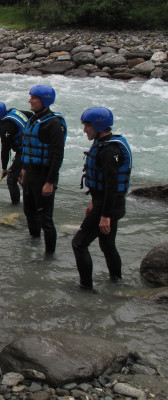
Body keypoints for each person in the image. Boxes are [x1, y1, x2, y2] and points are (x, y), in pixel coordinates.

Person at [71, 107, 132, 292]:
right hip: (108, 204)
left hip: (109, 207)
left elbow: (112, 186)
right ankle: (116, 282)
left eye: (87, 125)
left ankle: (86, 288)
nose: (84, 130)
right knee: (107, 243)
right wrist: (93, 202)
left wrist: (104, 215)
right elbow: (104, 185)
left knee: (79, 243)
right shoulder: (104, 143)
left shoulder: (109, 150)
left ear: (98, 125)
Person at [19, 85, 67, 254]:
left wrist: (50, 182)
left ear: (44, 100)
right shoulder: (34, 119)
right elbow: (28, 147)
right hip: (31, 173)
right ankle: (34, 242)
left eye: (34, 98)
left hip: (44, 176)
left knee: (45, 219)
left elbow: (57, 155)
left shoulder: (53, 124)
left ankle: (49, 255)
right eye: (30, 97)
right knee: (29, 211)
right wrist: (24, 169)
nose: (30, 100)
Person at [0, 101, 33, 204]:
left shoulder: (5, 127)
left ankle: (15, 206)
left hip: (25, 151)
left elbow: (5, 149)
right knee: (20, 177)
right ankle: (31, 200)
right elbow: (31, 115)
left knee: (11, 180)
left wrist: (4, 168)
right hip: (30, 148)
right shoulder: (16, 112)